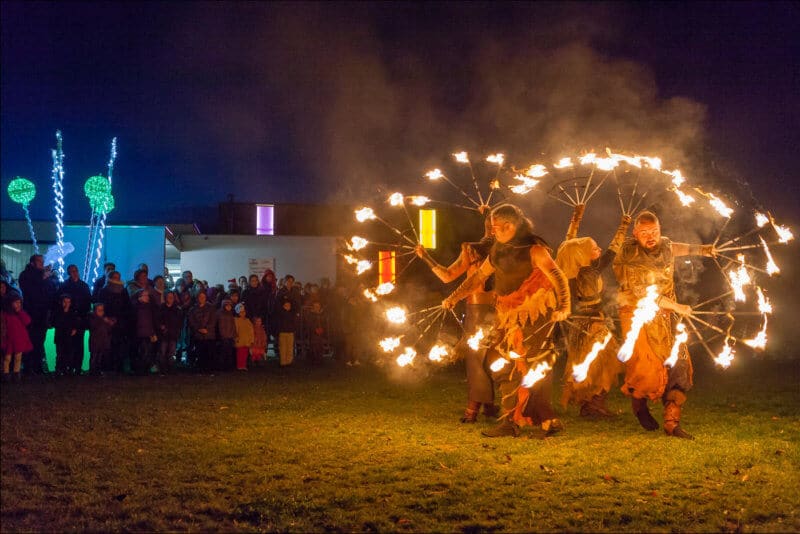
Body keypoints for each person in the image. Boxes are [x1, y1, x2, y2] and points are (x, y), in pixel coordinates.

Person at [442, 204, 571, 438]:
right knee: (500, 361)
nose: (494, 232)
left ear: (511, 225)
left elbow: (558, 277)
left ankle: (544, 420)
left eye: (497, 228)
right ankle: (514, 419)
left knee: (535, 364)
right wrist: (454, 296)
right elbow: (478, 277)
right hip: (507, 316)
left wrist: (564, 306)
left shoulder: (535, 251)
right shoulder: (497, 251)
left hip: (536, 314)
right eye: (493, 228)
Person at [613, 210, 716, 440]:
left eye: (655, 232)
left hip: (667, 313)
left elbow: (675, 248)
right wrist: (677, 307)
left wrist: (702, 250)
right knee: (646, 368)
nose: (651, 237)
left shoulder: (665, 245)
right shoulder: (630, 255)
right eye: (645, 233)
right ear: (635, 233)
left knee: (679, 362)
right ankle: (639, 405)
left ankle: (672, 422)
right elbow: (643, 295)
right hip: (637, 313)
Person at [416, 207, 498, 423]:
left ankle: (473, 409)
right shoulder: (508, 249)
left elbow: (447, 276)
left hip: (481, 313)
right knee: (489, 360)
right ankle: (489, 406)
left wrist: (425, 257)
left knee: (476, 362)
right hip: (503, 311)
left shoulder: (472, 250)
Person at [556, 203, 630, 417]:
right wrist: (624, 226)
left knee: (591, 364)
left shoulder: (572, 270)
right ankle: (593, 405)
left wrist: (575, 218)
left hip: (581, 324)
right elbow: (612, 252)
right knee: (605, 362)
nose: (598, 250)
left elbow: (568, 245)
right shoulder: (588, 271)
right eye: (594, 249)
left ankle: (590, 405)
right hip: (593, 324)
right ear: (584, 256)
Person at [18, 254, 57, 374]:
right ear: (32, 263)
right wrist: (44, 278)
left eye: (42, 261)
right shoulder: (26, 275)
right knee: (31, 340)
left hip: (42, 314)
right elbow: (30, 291)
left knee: (40, 340)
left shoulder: (42, 276)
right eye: (40, 262)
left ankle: (37, 365)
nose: (42, 264)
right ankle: (29, 366)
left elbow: (49, 292)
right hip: (32, 313)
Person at [95, 271, 131, 373]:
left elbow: (127, 306)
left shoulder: (123, 291)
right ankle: (107, 367)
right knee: (108, 345)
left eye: (118, 277)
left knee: (119, 345)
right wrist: (107, 318)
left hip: (120, 323)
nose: (117, 279)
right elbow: (100, 306)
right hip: (107, 323)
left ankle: (118, 367)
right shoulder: (103, 291)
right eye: (115, 277)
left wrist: (120, 319)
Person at [60, 264, 92, 372]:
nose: (74, 273)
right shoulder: (68, 285)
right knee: (69, 344)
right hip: (71, 318)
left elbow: (88, 302)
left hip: (79, 318)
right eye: (72, 271)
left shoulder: (73, 285)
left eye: (75, 271)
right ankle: (70, 366)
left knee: (78, 343)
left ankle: (76, 366)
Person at [2, 293, 33, 383]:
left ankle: (16, 373)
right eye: (16, 302)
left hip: (19, 339)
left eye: (19, 302)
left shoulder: (20, 313)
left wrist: (20, 312)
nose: (18, 304)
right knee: (7, 358)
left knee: (18, 357)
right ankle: (6, 374)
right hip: (9, 340)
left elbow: (27, 321)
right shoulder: (5, 314)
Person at [52, 294, 81, 375]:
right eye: (65, 302)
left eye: (68, 302)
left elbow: (76, 322)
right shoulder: (57, 312)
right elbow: (55, 322)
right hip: (60, 336)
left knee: (69, 353)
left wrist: (75, 329)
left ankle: (68, 368)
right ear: (61, 302)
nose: (66, 304)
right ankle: (59, 369)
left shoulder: (73, 312)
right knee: (60, 354)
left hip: (69, 336)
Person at [188, 291, 216, 372]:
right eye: (200, 297)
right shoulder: (193, 309)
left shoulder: (211, 308)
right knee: (200, 352)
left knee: (209, 352)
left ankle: (209, 368)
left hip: (209, 334)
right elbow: (191, 321)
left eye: (203, 297)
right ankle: (201, 368)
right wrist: (198, 328)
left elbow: (213, 320)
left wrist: (207, 328)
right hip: (198, 335)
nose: (202, 299)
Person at [132, 289, 158, 375]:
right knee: (143, 352)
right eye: (145, 295)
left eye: (148, 295)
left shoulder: (150, 307)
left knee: (147, 352)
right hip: (139, 334)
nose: (147, 297)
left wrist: (153, 332)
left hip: (148, 333)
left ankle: (145, 369)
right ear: (140, 297)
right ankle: (141, 369)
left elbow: (152, 321)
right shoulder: (136, 308)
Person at [158, 291, 183, 374]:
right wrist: (161, 326)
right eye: (168, 297)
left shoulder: (177, 309)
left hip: (173, 334)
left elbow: (179, 322)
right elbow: (157, 320)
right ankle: (163, 369)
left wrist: (177, 331)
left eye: (171, 297)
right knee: (162, 352)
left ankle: (170, 368)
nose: (170, 298)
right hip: (164, 334)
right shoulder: (161, 308)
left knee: (171, 353)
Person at [88, 303, 114, 375]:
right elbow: (92, 326)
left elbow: (108, 330)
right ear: (95, 310)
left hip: (103, 342)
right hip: (95, 342)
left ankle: (97, 370)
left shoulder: (104, 319)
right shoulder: (92, 318)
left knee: (100, 357)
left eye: (102, 310)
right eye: (99, 310)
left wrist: (109, 323)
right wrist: (102, 320)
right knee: (94, 357)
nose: (101, 311)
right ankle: (92, 370)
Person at [304, 300, 328, 365]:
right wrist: (315, 329)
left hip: (321, 333)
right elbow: (309, 324)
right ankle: (314, 360)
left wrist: (322, 329)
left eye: (318, 306)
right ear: (313, 307)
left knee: (320, 346)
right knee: (314, 346)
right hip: (313, 333)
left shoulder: (321, 314)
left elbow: (324, 323)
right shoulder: (311, 315)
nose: (317, 308)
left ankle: (320, 359)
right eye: (315, 306)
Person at [234, 303, 255, 370]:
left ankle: (243, 365)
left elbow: (251, 330)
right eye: (241, 312)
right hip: (240, 340)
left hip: (246, 340)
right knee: (240, 353)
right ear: (238, 313)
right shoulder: (236, 320)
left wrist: (251, 339)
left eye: (243, 312)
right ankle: (239, 365)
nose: (243, 313)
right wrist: (236, 338)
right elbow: (236, 330)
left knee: (245, 354)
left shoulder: (247, 321)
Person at [217, 298, 236, 370]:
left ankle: (228, 366)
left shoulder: (230, 314)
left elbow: (233, 325)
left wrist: (234, 334)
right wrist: (222, 335)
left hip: (230, 336)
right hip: (224, 336)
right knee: (223, 352)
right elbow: (220, 326)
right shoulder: (220, 314)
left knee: (229, 352)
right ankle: (222, 366)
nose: (229, 307)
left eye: (230, 306)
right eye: (227, 306)